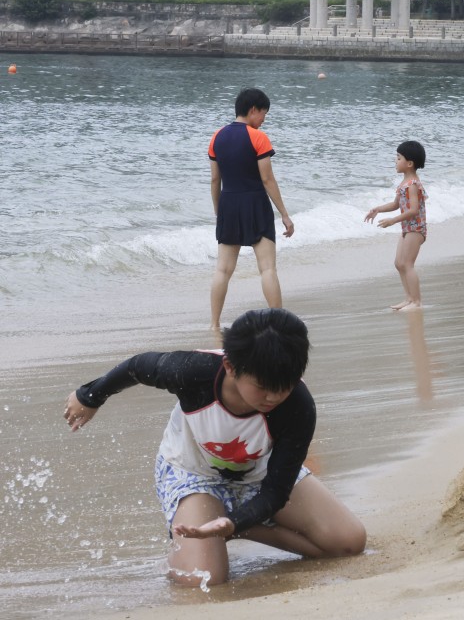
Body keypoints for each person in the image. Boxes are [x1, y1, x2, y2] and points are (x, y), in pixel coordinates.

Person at [62, 308, 367, 587]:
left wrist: (234, 522)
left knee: (349, 543)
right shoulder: (193, 372)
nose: (273, 397)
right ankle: (199, 534)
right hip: (193, 473)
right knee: (204, 580)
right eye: (262, 386)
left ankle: (238, 526)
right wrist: (90, 396)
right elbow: (138, 367)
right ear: (231, 367)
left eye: (284, 386)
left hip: (259, 474)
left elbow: (275, 491)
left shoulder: (298, 407)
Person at [209, 88, 295, 331]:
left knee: (222, 270)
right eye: (264, 113)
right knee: (267, 268)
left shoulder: (217, 137)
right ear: (253, 110)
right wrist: (285, 215)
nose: (264, 119)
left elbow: (215, 181)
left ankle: (214, 324)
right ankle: (278, 323)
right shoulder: (258, 137)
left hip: (228, 203)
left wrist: (219, 212)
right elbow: (267, 179)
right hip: (255, 203)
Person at [365, 140, 428, 311]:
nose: (395, 161)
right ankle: (409, 299)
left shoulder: (412, 184)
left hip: (416, 228)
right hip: (407, 228)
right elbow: (395, 205)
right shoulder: (404, 184)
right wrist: (378, 209)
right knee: (399, 263)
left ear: (409, 163)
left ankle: (416, 301)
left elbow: (414, 210)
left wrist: (393, 220)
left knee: (407, 264)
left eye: (398, 158)